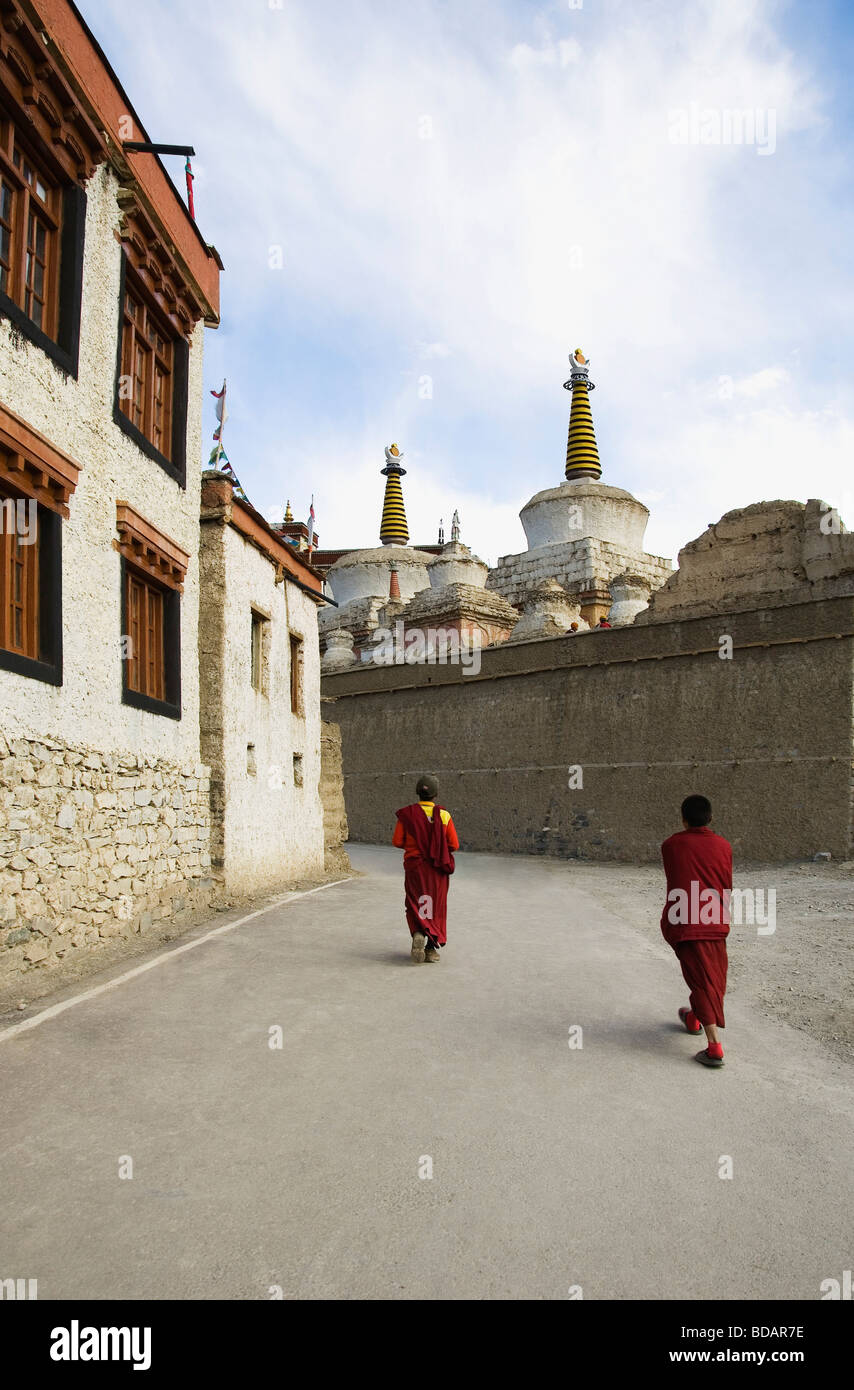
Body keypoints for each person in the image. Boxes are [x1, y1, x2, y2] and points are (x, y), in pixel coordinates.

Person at [660, 794, 732, 1068]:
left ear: (683, 819)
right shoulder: (724, 846)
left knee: (702, 979)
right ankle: (696, 1018)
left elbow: (677, 877)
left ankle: (714, 1047)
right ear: (711, 818)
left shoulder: (672, 845)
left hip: (687, 919)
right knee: (710, 977)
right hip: (715, 918)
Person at [392, 775, 459, 963]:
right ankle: (430, 948)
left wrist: (415, 845)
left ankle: (418, 932)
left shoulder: (407, 815)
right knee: (435, 905)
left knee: (415, 902)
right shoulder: (444, 816)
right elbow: (454, 844)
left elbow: (397, 841)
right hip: (437, 869)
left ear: (418, 793)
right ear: (436, 794)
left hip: (415, 867)